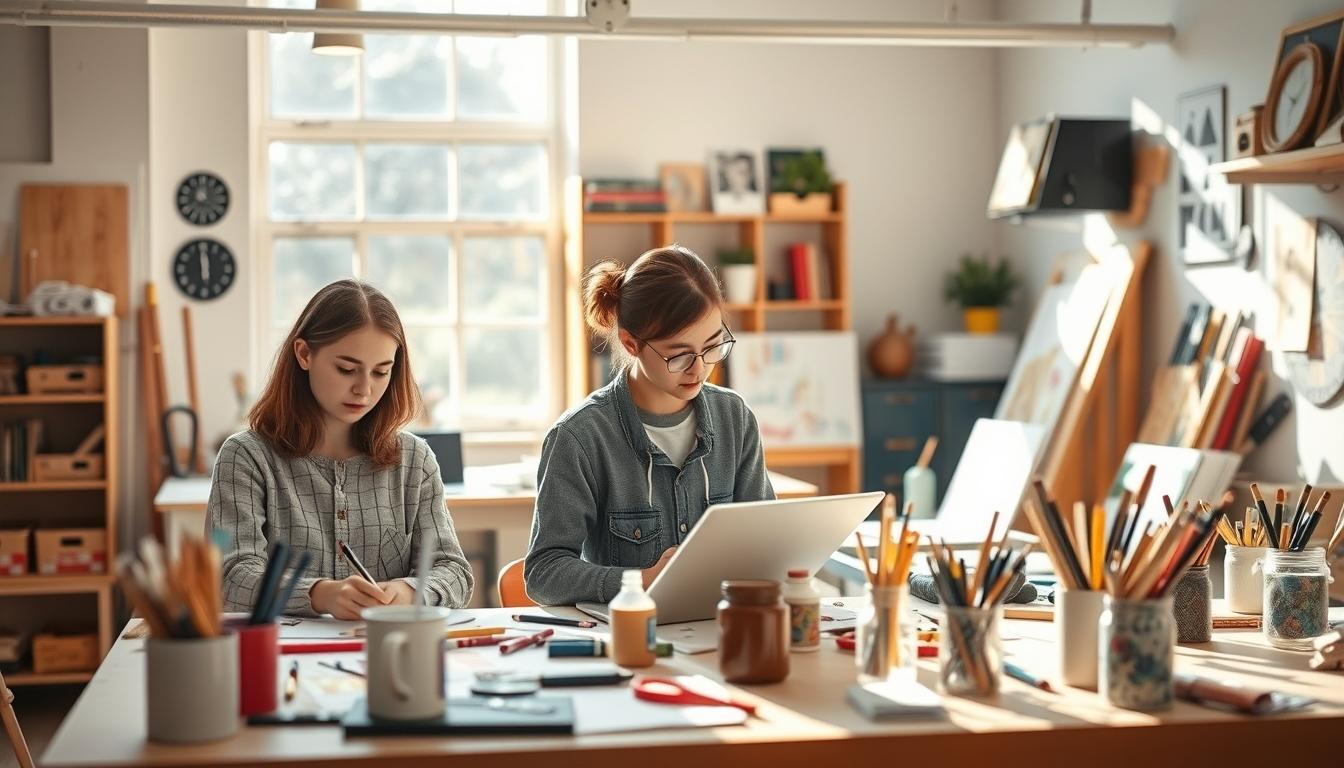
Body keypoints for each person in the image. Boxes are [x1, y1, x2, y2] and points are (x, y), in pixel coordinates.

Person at [525, 245, 775, 605]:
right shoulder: (580, 437)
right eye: (679, 355)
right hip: (630, 642)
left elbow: (766, 539)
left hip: (723, 630)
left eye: (712, 346)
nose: (700, 367)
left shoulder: (735, 419)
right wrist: (639, 580)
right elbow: (543, 573)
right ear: (631, 343)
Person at [208, 279, 473, 619]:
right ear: (304, 354)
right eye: (347, 369)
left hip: (388, 650)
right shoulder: (246, 457)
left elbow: (454, 572)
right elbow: (228, 576)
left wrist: (407, 591)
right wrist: (319, 595)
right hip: (283, 659)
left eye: (381, 372)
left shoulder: (415, 461)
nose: (364, 389)